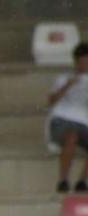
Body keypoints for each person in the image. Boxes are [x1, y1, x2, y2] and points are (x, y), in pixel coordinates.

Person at [48, 42, 88, 193]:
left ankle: (83, 181)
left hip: (84, 122)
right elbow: (51, 101)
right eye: (83, 62)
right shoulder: (63, 78)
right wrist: (68, 86)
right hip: (62, 119)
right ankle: (63, 180)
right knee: (71, 136)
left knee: (77, 134)